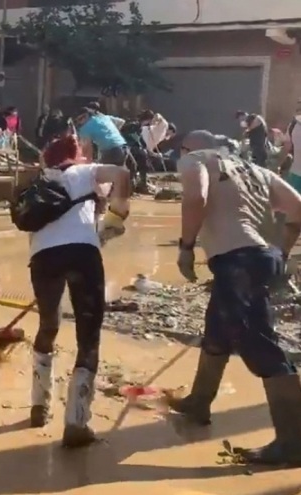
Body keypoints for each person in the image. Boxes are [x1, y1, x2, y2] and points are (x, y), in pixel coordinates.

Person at [168, 130, 301, 466]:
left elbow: (195, 199)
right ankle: (199, 402)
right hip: (261, 256)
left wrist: (186, 247)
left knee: (256, 341)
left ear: (188, 148)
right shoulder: (256, 169)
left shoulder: (196, 159)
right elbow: (298, 208)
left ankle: (294, 441)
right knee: (218, 327)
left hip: (236, 260)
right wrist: (280, 253)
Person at [27, 135, 132, 448]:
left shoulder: (39, 183)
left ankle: (38, 405)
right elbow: (122, 175)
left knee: (48, 325)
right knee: (88, 336)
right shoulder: (83, 173)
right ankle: (76, 420)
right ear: (78, 157)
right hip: (82, 255)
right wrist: (117, 212)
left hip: (42, 257)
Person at [75, 107, 141, 188]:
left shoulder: (84, 129)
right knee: (130, 167)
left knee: (101, 176)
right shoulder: (104, 117)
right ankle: (128, 187)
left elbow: (88, 149)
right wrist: (113, 132)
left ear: (86, 116)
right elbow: (121, 122)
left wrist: (87, 165)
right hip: (123, 146)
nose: (80, 122)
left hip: (110, 151)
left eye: (80, 119)